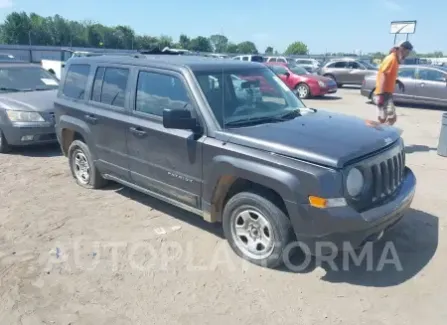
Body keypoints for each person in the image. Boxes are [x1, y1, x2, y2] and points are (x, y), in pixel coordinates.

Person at [374, 40, 413, 125]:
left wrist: (396, 81)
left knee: (382, 119)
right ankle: (383, 134)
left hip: (386, 93)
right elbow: (383, 75)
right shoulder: (391, 59)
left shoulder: (395, 59)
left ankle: (378, 134)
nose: (408, 55)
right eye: (408, 52)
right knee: (392, 118)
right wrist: (380, 95)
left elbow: (388, 75)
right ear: (402, 49)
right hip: (384, 94)